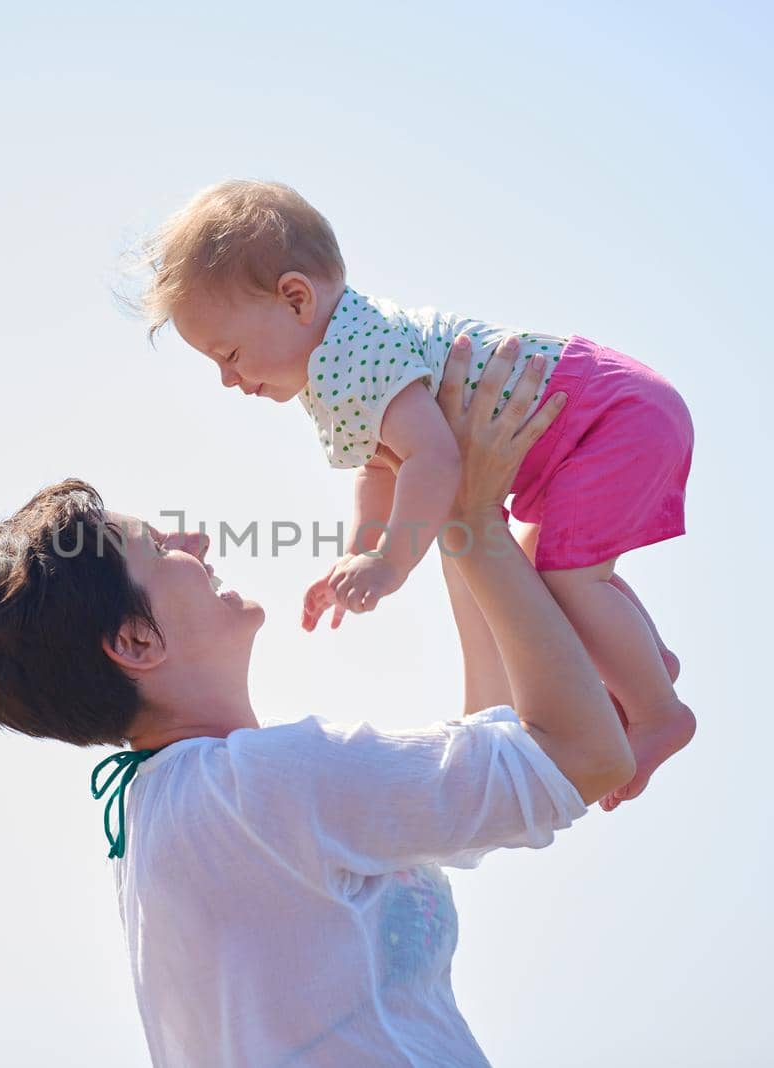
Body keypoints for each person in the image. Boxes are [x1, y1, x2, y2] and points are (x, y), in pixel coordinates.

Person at [0, 341, 634, 1065]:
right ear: (135, 641)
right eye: (160, 547)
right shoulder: (257, 788)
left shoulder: (181, 810)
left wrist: (457, 517)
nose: (195, 539)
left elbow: (493, 755)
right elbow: (583, 756)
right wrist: (475, 522)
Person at [135, 179, 695, 810]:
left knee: (566, 581)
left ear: (296, 299)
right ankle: (648, 666)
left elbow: (434, 459)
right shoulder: (334, 365)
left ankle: (657, 714)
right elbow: (384, 468)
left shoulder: (357, 351)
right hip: (598, 413)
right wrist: (357, 552)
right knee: (541, 580)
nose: (228, 379)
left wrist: (390, 562)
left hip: (605, 419)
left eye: (230, 354)